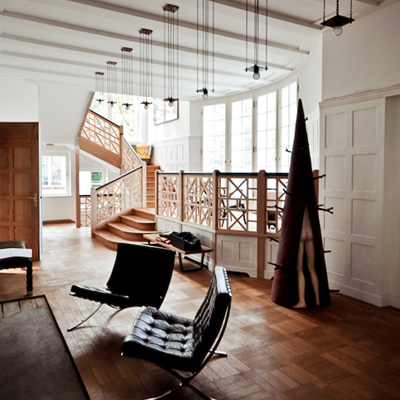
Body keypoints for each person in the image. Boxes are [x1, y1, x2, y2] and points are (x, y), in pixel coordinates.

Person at [293, 205, 320, 308]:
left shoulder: (295, 199)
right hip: (310, 231)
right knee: (312, 268)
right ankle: (317, 299)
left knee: (299, 269)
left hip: (300, 232)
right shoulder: (310, 199)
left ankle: (302, 301)